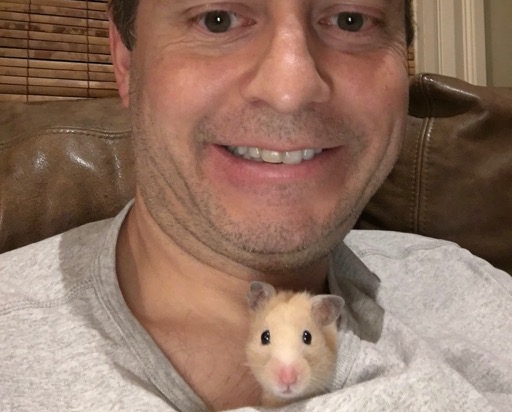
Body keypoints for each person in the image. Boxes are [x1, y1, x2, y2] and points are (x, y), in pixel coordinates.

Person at [1, 0, 511, 410]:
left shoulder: (474, 294)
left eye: (350, 20)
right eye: (217, 20)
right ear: (126, 61)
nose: (291, 89)